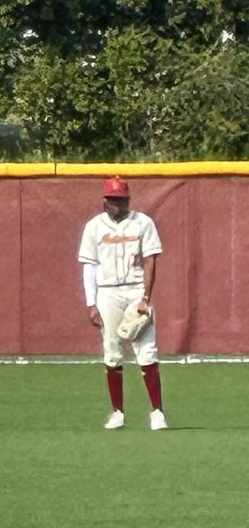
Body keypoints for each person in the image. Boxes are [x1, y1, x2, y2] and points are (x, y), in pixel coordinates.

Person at [78, 175, 167, 431]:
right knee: (112, 351)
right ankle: (118, 412)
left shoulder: (143, 222)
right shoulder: (94, 227)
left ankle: (157, 412)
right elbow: (89, 266)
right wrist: (91, 303)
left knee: (146, 351)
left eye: (122, 199)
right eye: (114, 199)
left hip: (136, 289)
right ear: (105, 200)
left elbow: (150, 260)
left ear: (128, 199)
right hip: (107, 293)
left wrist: (146, 298)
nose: (118, 204)